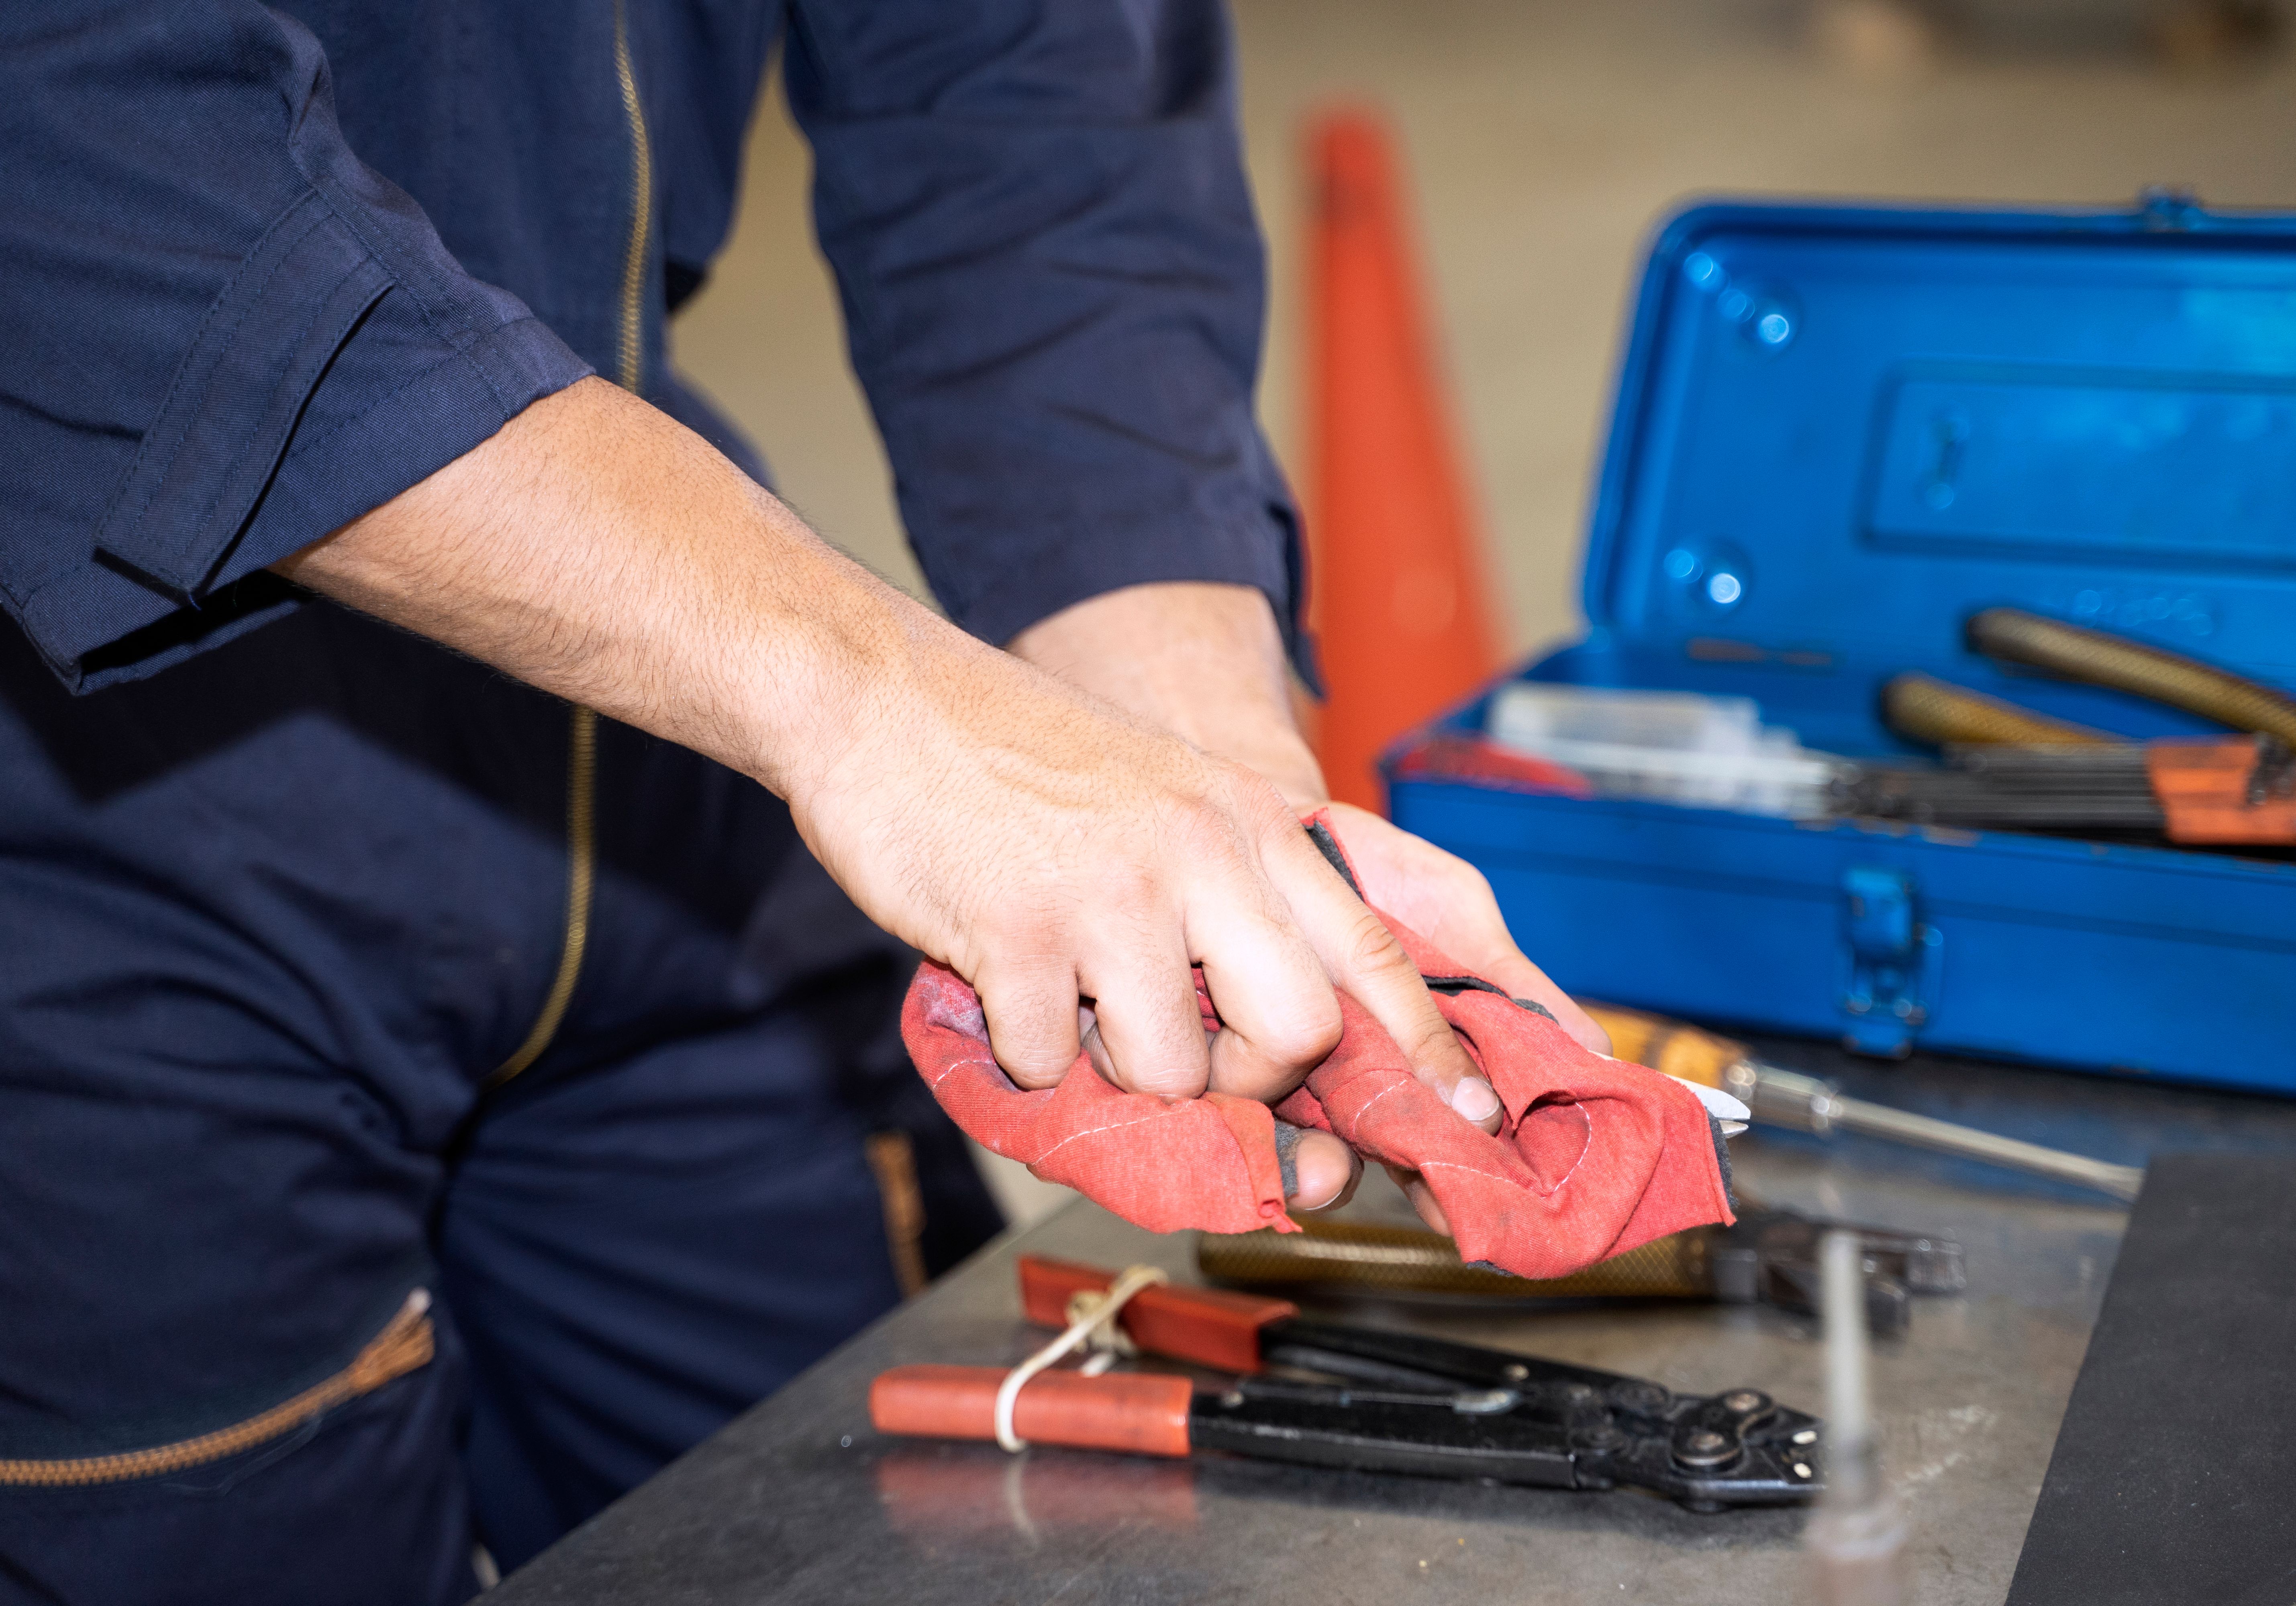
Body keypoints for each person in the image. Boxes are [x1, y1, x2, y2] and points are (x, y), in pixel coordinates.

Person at [0, 3, 1609, 1599]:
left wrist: (1195, 756)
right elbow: (70, 141)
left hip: (658, 771)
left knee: (920, 1541)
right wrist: (877, 703)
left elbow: (1009, 77)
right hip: (94, 843)